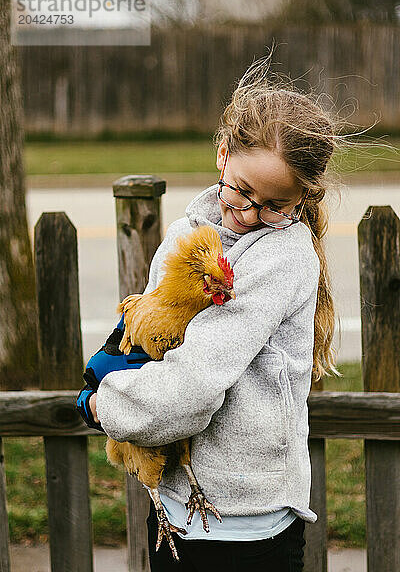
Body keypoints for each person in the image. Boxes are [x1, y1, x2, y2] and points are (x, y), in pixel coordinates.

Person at [85, 55, 343, 571]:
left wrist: (103, 407)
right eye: (243, 192)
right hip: (179, 511)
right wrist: (114, 364)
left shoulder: (280, 256)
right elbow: (149, 342)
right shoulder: (188, 233)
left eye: (275, 205)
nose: (250, 214)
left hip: (249, 525)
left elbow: (195, 387)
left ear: (301, 199)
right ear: (223, 155)